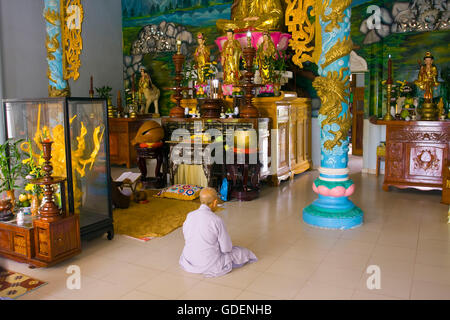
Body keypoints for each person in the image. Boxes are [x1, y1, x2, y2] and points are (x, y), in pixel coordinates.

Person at [179, 188, 257, 277]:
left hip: (189, 259)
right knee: (241, 252)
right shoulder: (216, 220)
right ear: (215, 202)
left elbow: (187, 237)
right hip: (209, 264)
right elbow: (226, 249)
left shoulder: (190, 215)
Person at [216, 0, 284, 34]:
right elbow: (237, 17)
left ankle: (253, 28)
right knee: (219, 23)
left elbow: (278, 14)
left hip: (261, 23)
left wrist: (258, 19)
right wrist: (246, 20)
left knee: (272, 21)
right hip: (245, 24)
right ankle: (251, 28)